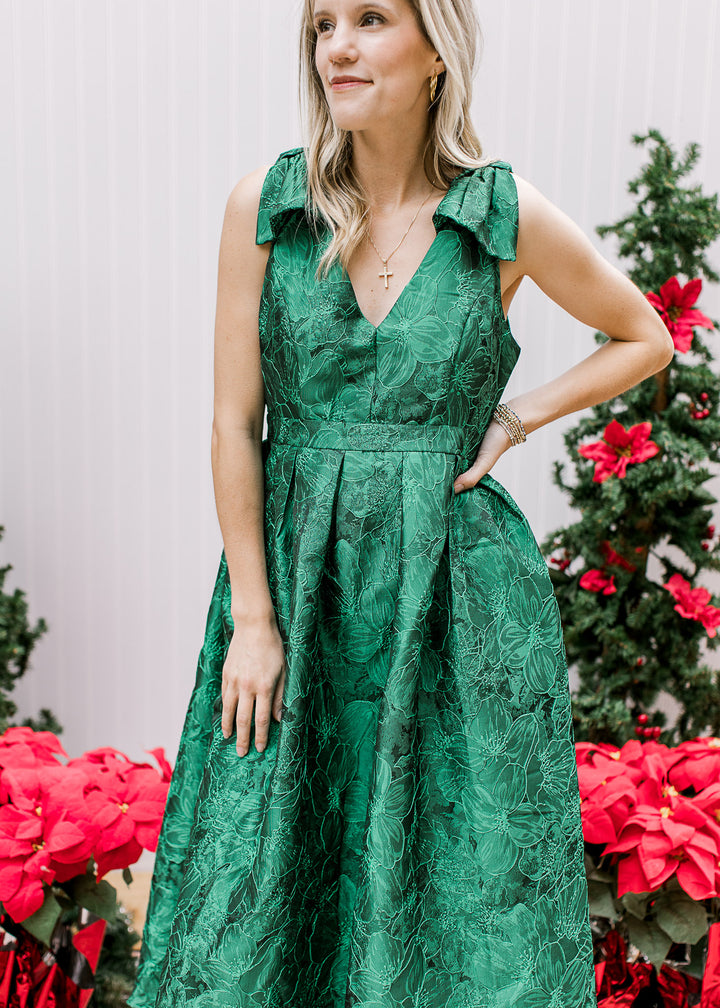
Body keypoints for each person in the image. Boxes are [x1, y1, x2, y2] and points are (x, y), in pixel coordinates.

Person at [127, 1, 673, 1005]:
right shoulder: (269, 207)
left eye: (371, 17)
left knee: (462, 882)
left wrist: (513, 418)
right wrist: (254, 618)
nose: (336, 44)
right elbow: (232, 425)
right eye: (322, 23)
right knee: (261, 878)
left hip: (455, 600)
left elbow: (646, 336)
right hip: (299, 593)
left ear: (436, 53)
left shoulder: (501, 214)